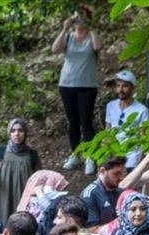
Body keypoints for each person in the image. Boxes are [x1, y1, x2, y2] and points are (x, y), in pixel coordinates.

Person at [52, 9, 101, 175]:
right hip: (67, 84)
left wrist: (91, 27)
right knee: (72, 120)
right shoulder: (68, 37)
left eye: (82, 17)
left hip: (87, 85)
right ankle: (74, 154)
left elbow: (98, 46)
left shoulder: (92, 37)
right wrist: (65, 28)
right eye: (76, 17)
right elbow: (55, 49)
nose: (79, 20)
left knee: (86, 121)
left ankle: (90, 156)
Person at [0, 118, 41, 230]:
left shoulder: (32, 155)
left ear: (25, 133)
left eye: (20, 130)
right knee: (0, 227)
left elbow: (40, 178)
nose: (17, 134)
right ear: (9, 133)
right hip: (2, 197)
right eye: (13, 131)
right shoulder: (1, 150)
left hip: (23, 198)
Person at [105, 70, 149, 171]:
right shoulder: (110, 106)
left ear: (133, 88)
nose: (120, 89)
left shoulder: (142, 110)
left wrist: (139, 165)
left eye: (125, 86)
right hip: (114, 159)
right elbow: (108, 132)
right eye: (118, 86)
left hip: (131, 160)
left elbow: (144, 139)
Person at [81, 156, 126, 232]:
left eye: (123, 173)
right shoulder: (89, 195)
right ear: (102, 171)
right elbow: (92, 230)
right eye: (117, 173)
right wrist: (121, 222)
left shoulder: (119, 191)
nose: (121, 178)